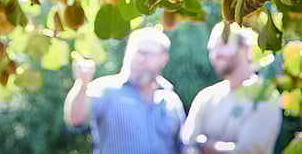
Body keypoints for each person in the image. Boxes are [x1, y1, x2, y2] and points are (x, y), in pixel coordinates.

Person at [64, 26, 186, 154]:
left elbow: (183, 145)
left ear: (163, 59)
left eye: (148, 54)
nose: (142, 59)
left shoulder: (171, 99)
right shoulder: (106, 90)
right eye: (138, 52)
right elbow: (76, 120)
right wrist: (82, 83)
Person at [182, 21, 282, 154]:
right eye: (212, 49)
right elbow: (188, 144)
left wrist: (204, 144)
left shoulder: (265, 96)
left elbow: (247, 152)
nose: (216, 54)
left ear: (246, 47)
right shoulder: (205, 97)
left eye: (223, 45)